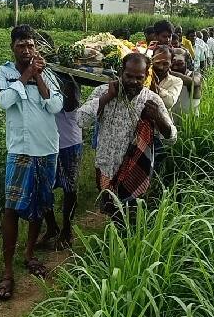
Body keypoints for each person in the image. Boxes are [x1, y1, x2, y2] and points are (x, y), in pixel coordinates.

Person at [0, 25, 64, 300]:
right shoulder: (3, 73)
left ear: (36, 48)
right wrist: (25, 76)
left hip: (47, 148)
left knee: (40, 204)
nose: (27, 50)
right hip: (20, 150)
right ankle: (7, 272)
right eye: (21, 45)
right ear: (13, 47)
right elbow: (6, 100)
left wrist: (40, 76)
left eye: (31, 45)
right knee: (11, 208)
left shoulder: (49, 75)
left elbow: (56, 106)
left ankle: (30, 254)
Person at [77, 53, 177, 223]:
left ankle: (126, 246)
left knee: (130, 218)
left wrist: (158, 118)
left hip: (136, 171)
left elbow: (171, 138)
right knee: (113, 216)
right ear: (120, 72)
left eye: (139, 77)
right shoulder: (103, 92)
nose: (133, 81)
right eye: (129, 76)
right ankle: (113, 245)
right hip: (106, 167)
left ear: (146, 76)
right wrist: (108, 97)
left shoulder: (152, 100)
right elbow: (81, 120)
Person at [38, 73, 83, 250]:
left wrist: (61, 79)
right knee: (42, 187)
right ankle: (51, 227)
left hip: (68, 142)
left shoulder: (68, 78)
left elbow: (70, 104)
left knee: (69, 188)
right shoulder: (36, 75)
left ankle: (67, 229)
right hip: (45, 142)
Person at [170, 48, 202, 125]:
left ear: (187, 63)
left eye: (180, 64)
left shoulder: (194, 75)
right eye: (172, 64)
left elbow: (195, 82)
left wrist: (169, 72)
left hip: (190, 125)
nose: (175, 67)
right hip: (172, 124)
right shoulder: (168, 78)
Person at [150, 45, 183, 111]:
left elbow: (169, 103)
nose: (160, 67)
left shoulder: (176, 81)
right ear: (152, 60)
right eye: (157, 63)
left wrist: (155, 87)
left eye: (165, 64)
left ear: (171, 62)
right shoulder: (143, 77)